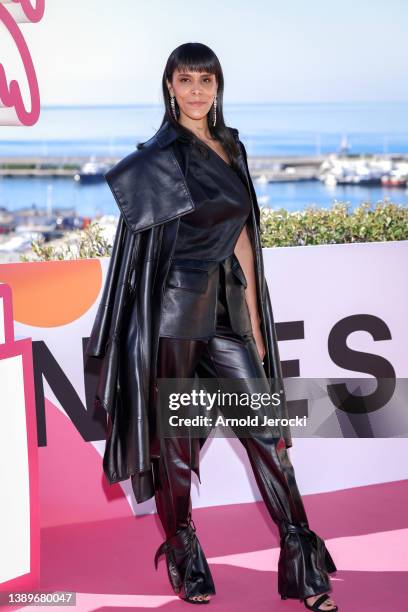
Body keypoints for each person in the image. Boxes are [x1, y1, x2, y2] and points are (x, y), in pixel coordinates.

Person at [86, 42, 338, 611]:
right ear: (169, 87)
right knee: (176, 447)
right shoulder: (156, 158)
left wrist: (251, 316)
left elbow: (244, 233)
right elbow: (144, 250)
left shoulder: (232, 147)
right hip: (176, 313)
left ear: (218, 87)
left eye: (206, 80)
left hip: (227, 310)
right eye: (185, 80)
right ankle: (185, 552)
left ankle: (304, 564)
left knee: (269, 439)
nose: (197, 90)